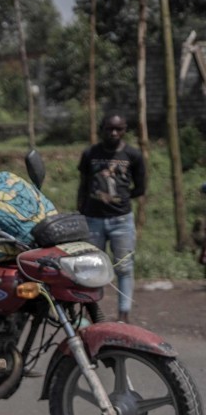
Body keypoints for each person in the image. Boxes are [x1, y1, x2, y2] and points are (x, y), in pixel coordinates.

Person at [78, 113, 143, 323]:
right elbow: (84, 184)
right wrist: (81, 210)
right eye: (109, 129)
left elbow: (140, 187)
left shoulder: (133, 155)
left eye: (119, 129)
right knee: (92, 268)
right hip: (93, 220)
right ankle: (93, 315)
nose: (114, 133)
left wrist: (120, 200)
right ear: (102, 129)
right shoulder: (90, 154)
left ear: (125, 130)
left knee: (124, 268)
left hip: (121, 221)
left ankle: (123, 316)